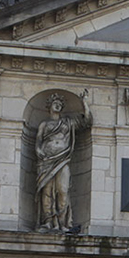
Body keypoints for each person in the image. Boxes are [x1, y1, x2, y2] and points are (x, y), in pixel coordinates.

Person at [34, 95, 89, 232]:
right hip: (46, 161)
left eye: (60, 103)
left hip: (63, 160)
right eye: (55, 103)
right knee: (46, 191)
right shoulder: (44, 124)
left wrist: (84, 103)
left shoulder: (67, 123)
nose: (57, 105)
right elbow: (38, 142)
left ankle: (62, 222)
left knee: (63, 190)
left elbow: (86, 121)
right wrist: (39, 151)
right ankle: (47, 221)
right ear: (49, 106)